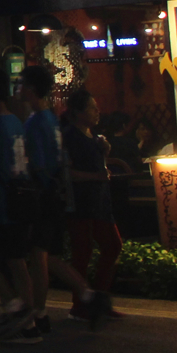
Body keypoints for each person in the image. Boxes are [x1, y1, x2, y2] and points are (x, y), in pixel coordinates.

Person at [21, 66, 108, 333]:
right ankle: (87, 295)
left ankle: (39, 313)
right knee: (49, 256)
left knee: (39, 255)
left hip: (43, 194)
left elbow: (37, 163)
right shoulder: (51, 120)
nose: (18, 89)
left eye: (21, 84)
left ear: (31, 89)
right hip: (57, 194)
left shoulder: (36, 122)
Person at [0, 66, 39, 342]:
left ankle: (13, 309)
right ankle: (29, 322)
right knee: (18, 262)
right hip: (21, 198)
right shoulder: (15, 121)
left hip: (1, 203)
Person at [62, 89, 122, 317]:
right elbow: (68, 173)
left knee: (112, 246)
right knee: (83, 253)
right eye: (92, 108)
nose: (97, 112)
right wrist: (95, 176)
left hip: (100, 202)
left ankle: (98, 299)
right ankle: (81, 304)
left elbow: (98, 168)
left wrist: (104, 153)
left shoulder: (93, 136)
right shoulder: (70, 137)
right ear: (78, 112)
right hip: (81, 203)